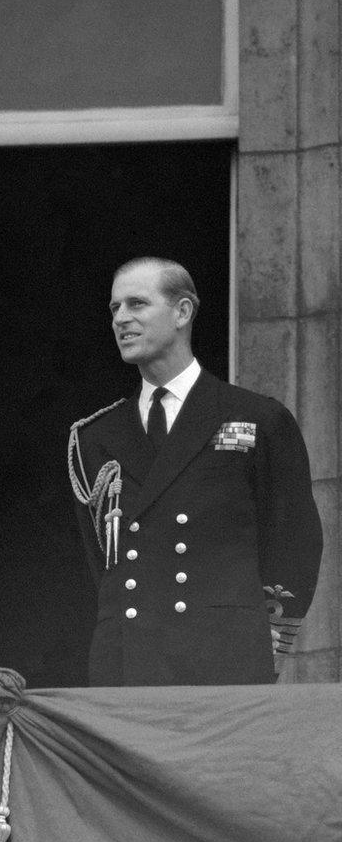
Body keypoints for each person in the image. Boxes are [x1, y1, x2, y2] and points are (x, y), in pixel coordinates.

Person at [68, 257, 322, 685]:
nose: (121, 320)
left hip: (225, 662)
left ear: (183, 311)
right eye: (115, 309)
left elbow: (292, 544)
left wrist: (263, 644)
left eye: (137, 304)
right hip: (126, 665)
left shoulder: (258, 418)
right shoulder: (95, 436)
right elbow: (101, 560)